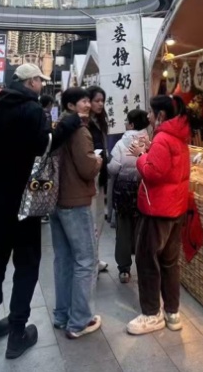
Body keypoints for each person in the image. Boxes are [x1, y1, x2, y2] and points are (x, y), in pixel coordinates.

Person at [0, 64, 52, 360]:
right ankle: (17, 333)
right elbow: (43, 151)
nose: (41, 85)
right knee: (26, 265)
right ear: (31, 82)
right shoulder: (33, 111)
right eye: (39, 81)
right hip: (23, 202)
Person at [126, 95, 191, 335]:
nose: (149, 116)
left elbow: (153, 173)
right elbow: (167, 169)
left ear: (161, 115)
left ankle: (151, 314)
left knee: (147, 261)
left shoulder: (163, 138)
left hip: (157, 210)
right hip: (175, 208)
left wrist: (140, 156)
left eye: (151, 113)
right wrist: (149, 150)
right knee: (170, 262)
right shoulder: (178, 136)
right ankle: (172, 312)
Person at [51, 87, 104, 339]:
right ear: (71, 106)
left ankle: (62, 315)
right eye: (83, 101)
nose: (88, 105)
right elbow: (87, 168)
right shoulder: (80, 131)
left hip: (56, 200)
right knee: (85, 260)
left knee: (63, 259)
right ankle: (80, 320)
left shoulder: (58, 127)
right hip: (75, 201)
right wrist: (98, 161)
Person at [108, 108, 151, 284]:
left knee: (123, 230)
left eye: (127, 121)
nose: (125, 124)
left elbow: (114, 168)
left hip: (123, 192)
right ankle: (144, 266)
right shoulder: (149, 141)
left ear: (131, 124)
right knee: (142, 230)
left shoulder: (121, 143)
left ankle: (124, 269)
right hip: (143, 191)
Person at [86, 85, 110, 274]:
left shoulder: (100, 121)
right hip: (89, 176)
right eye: (97, 100)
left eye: (102, 101)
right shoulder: (84, 123)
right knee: (91, 219)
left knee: (99, 217)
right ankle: (90, 260)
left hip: (100, 174)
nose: (100, 104)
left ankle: (95, 257)